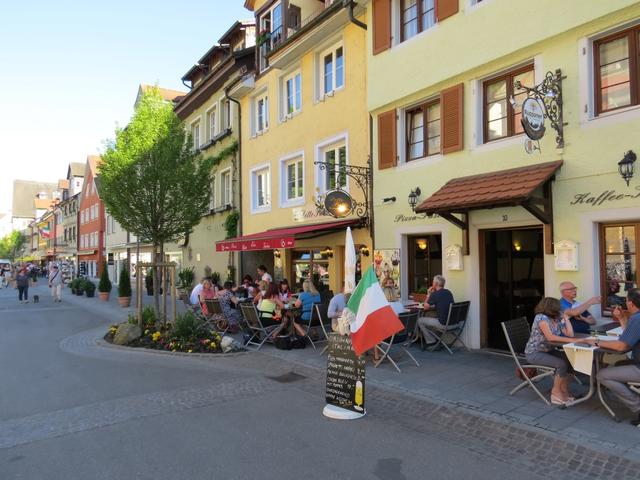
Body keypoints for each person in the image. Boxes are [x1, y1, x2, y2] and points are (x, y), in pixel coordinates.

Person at [594, 288, 640, 426]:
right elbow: (630, 336)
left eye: (626, 300)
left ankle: (637, 406)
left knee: (602, 375)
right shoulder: (636, 318)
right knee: (619, 364)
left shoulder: (637, 318)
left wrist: (596, 342)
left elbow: (622, 346)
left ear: (630, 303)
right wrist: (621, 318)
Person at [524, 297, 582, 405]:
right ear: (551, 308)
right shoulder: (541, 318)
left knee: (571, 359)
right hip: (534, 353)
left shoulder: (556, 318)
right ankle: (555, 392)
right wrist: (575, 340)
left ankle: (564, 390)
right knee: (561, 364)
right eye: (558, 308)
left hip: (548, 350)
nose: (560, 309)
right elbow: (550, 337)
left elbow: (570, 334)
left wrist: (566, 318)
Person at [417, 275, 454, 344]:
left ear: (436, 284)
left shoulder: (435, 294)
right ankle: (435, 338)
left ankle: (431, 340)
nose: (432, 283)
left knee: (420, 320)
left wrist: (428, 294)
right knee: (431, 315)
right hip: (454, 322)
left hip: (444, 324)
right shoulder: (448, 292)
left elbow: (425, 307)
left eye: (433, 282)